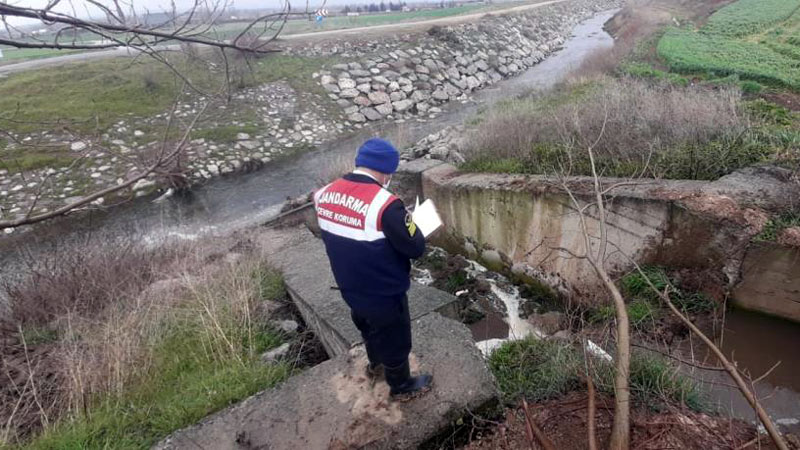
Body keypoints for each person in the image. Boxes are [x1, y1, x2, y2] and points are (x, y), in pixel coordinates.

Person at [313, 138, 433, 400]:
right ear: (386, 170)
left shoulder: (323, 194)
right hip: (383, 290)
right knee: (395, 337)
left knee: (366, 325)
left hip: (349, 285)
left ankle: (375, 364)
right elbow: (414, 248)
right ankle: (400, 385)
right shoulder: (386, 205)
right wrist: (411, 223)